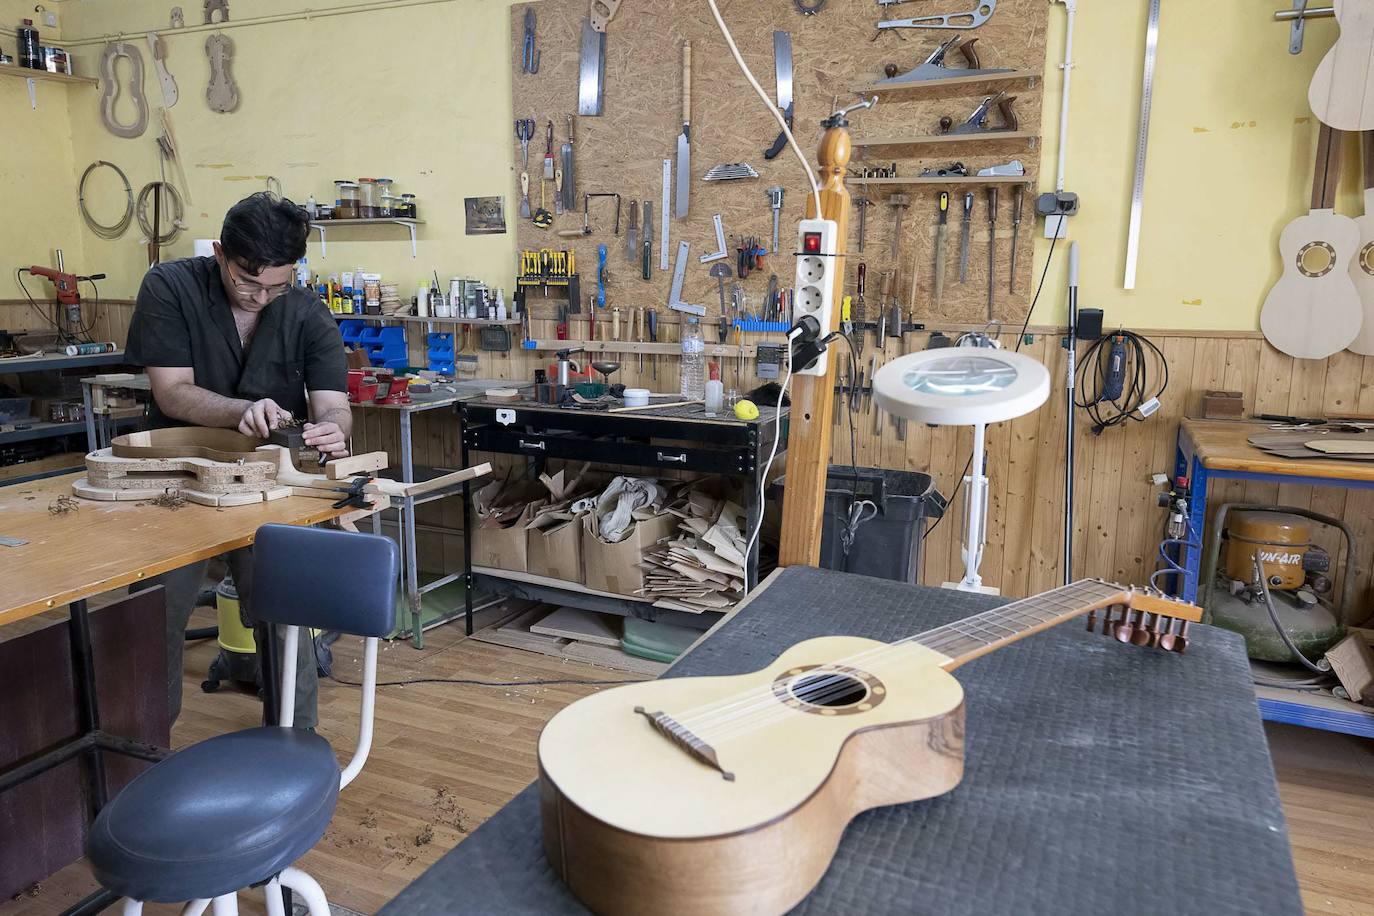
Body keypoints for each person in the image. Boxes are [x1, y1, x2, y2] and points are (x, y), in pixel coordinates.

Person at [125, 192, 350, 728]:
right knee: (152, 620)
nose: (262, 297)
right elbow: (172, 393)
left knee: (285, 617)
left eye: (278, 284)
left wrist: (332, 432)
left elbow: (334, 406)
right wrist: (241, 411)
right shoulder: (170, 286)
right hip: (178, 485)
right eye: (249, 282)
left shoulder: (306, 313)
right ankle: (140, 749)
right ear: (222, 254)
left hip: (269, 485)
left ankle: (294, 745)